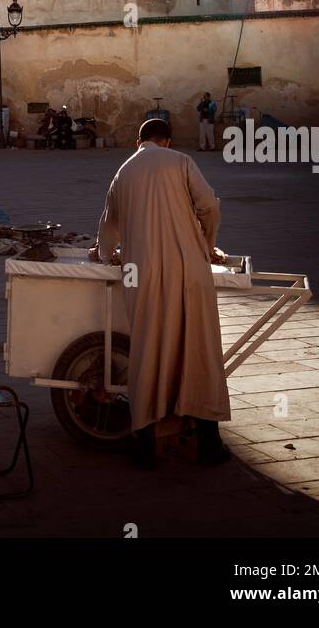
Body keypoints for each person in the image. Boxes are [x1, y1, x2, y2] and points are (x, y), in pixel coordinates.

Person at [90, 117, 231, 468]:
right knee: (199, 348)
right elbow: (209, 207)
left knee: (149, 348)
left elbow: (109, 226)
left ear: (139, 142)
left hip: (144, 273)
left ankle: (146, 441)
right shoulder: (181, 161)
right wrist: (207, 244)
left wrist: (104, 254)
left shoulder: (124, 171)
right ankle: (209, 443)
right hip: (191, 271)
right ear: (166, 141)